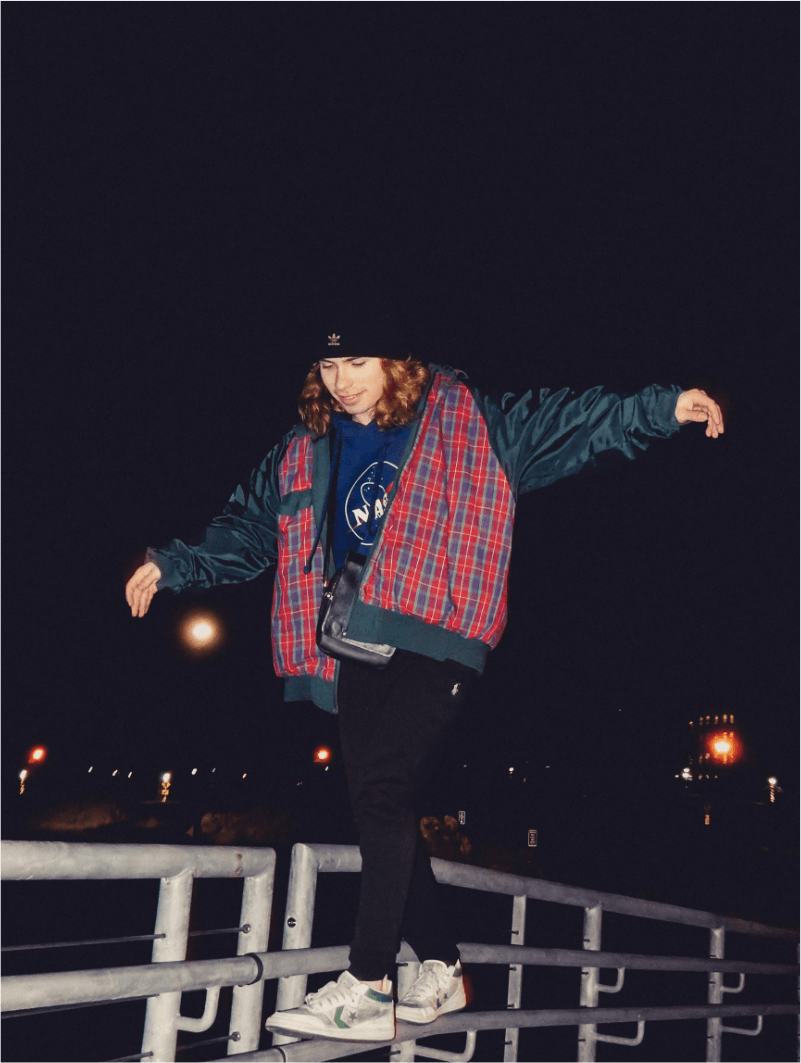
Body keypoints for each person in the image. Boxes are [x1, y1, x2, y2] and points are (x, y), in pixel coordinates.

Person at [125, 315, 723, 1042]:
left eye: (358, 364)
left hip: (437, 632)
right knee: (383, 810)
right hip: (351, 642)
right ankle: (439, 965)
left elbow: (569, 425)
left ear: (396, 364)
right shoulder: (301, 449)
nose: (341, 382)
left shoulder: (466, 419)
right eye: (329, 367)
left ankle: (370, 979)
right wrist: (173, 563)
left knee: (380, 793)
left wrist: (658, 408)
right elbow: (246, 530)